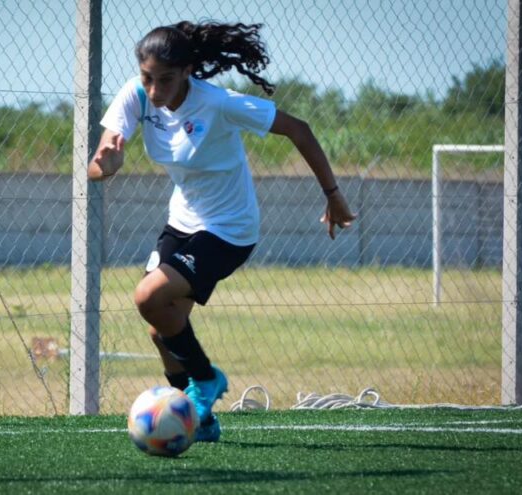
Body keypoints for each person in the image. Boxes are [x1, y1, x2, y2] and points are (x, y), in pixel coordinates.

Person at [88, 21, 356, 442]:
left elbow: (298, 128)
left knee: (147, 297)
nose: (154, 90)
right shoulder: (136, 95)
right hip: (182, 222)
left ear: (187, 71)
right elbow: (98, 164)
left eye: (165, 80)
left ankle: (205, 379)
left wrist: (333, 195)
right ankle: (198, 419)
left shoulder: (217, 103)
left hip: (229, 229)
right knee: (162, 329)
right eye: (147, 78)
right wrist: (107, 167)